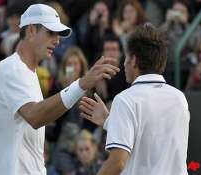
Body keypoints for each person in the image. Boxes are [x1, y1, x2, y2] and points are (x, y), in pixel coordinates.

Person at [0, 4, 120, 175]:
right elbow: (35, 116)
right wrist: (81, 84)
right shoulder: (11, 69)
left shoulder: (26, 73)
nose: (57, 40)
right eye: (51, 33)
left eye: (58, 35)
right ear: (32, 30)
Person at [79, 24, 190, 175]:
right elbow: (151, 137)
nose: (124, 63)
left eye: (126, 57)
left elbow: (118, 162)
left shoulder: (125, 100)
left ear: (134, 60)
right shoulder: (179, 99)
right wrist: (109, 121)